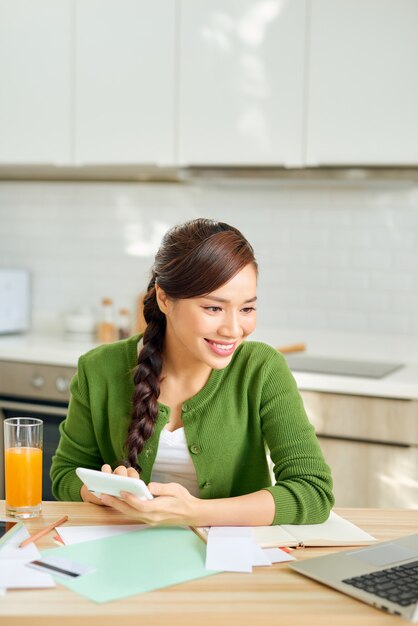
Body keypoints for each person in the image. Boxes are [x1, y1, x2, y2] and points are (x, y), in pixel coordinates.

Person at [51, 218, 334, 527]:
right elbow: (66, 473)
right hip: (124, 550)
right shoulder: (99, 368)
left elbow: (312, 491)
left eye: (247, 309)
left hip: (232, 559)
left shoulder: (262, 369)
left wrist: (195, 512)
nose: (234, 329)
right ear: (164, 299)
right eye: (213, 308)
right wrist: (101, 491)